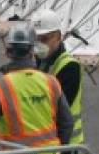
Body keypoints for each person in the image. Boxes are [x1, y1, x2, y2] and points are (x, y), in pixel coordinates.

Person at [0, 22, 73, 148]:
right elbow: (67, 123)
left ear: (7, 52)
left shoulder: (0, 88)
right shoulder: (51, 82)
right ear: (32, 50)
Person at [31, 8, 85, 146]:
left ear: (58, 36)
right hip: (44, 144)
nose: (40, 44)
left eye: (44, 39)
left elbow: (54, 108)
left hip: (66, 143)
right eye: (36, 39)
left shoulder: (69, 66)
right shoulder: (36, 62)